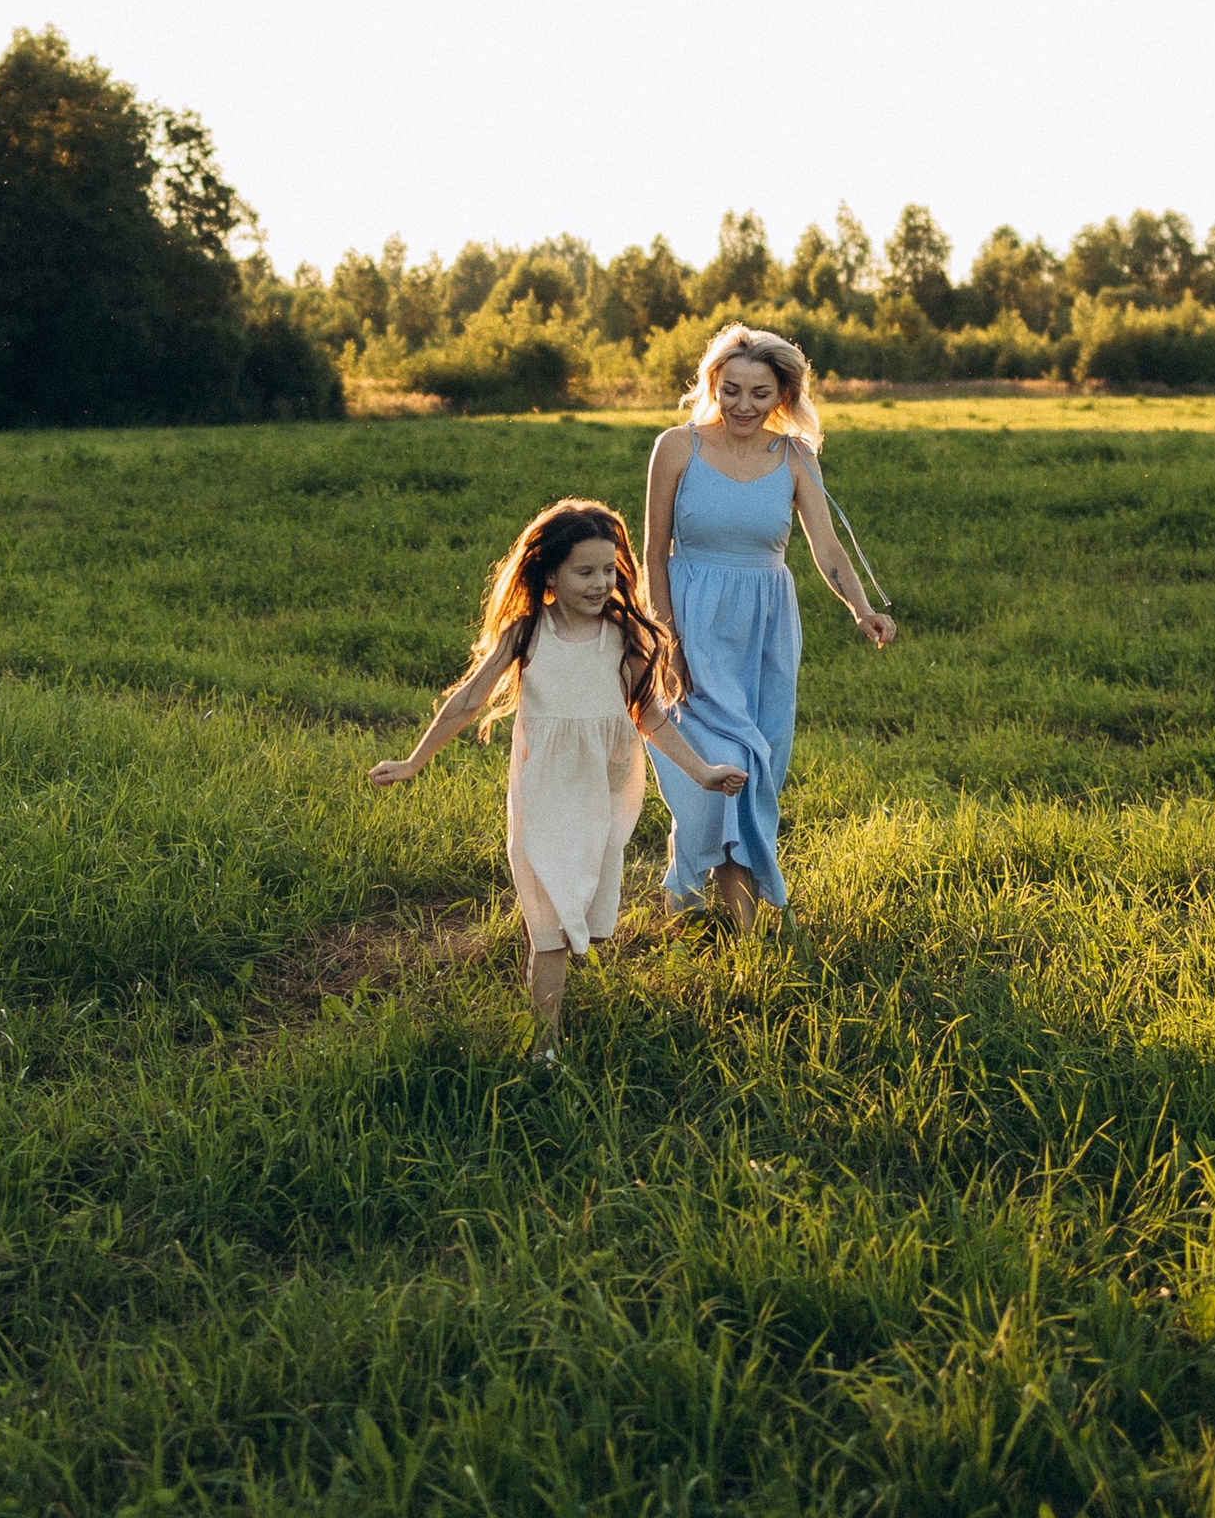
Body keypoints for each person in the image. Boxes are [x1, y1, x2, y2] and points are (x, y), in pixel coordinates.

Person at [369, 497, 746, 1054]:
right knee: (549, 926)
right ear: (549, 574)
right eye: (584, 572)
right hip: (543, 795)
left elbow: (650, 718)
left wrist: (703, 772)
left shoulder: (623, 635)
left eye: (609, 570)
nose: (601, 583)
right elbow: (468, 700)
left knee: (577, 919)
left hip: (602, 794)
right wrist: (413, 762)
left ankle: (548, 995)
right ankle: (544, 1049)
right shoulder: (526, 633)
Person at [644, 324, 894, 934]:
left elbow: (827, 549)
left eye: (760, 393)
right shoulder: (677, 447)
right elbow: (653, 552)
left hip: (765, 636)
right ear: (712, 385)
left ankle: (737, 934)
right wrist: (668, 642)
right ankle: (699, 908)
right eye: (731, 390)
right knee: (715, 769)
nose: (743, 405)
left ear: (783, 394)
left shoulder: (795, 457)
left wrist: (861, 609)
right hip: (691, 629)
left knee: (754, 774)